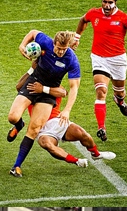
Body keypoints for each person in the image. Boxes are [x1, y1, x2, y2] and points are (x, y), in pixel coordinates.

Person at [6, 30, 81, 177]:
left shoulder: (71, 59)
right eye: (58, 48)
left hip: (48, 94)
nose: (60, 52)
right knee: (13, 117)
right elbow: (33, 33)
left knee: (34, 130)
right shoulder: (45, 41)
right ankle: (18, 124)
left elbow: (74, 87)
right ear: (53, 43)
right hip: (33, 83)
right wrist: (22, 46)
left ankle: (16, 166)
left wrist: (67, 110)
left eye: (64, 49)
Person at [74, 0, 127, 141]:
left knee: (119, 91)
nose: (107, 5)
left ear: (115, 3)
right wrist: (77, 36)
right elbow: (83, 20)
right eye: (104, 1)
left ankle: (119, 100)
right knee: (101, 91)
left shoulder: (123, 17)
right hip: (99, 58)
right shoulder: (94, 13)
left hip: (118, 60)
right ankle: (102, 127)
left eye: (110, 2)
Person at [11, 69, 117, 167]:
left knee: (82, 133)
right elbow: (18, 87)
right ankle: (76, 161)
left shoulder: (53, 84)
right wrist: (31, 69)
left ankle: (96, 154)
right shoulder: (31, 85)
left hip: (58, 120)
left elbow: (63, 92)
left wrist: (43, 89)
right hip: (41, 126)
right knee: (48, 145)